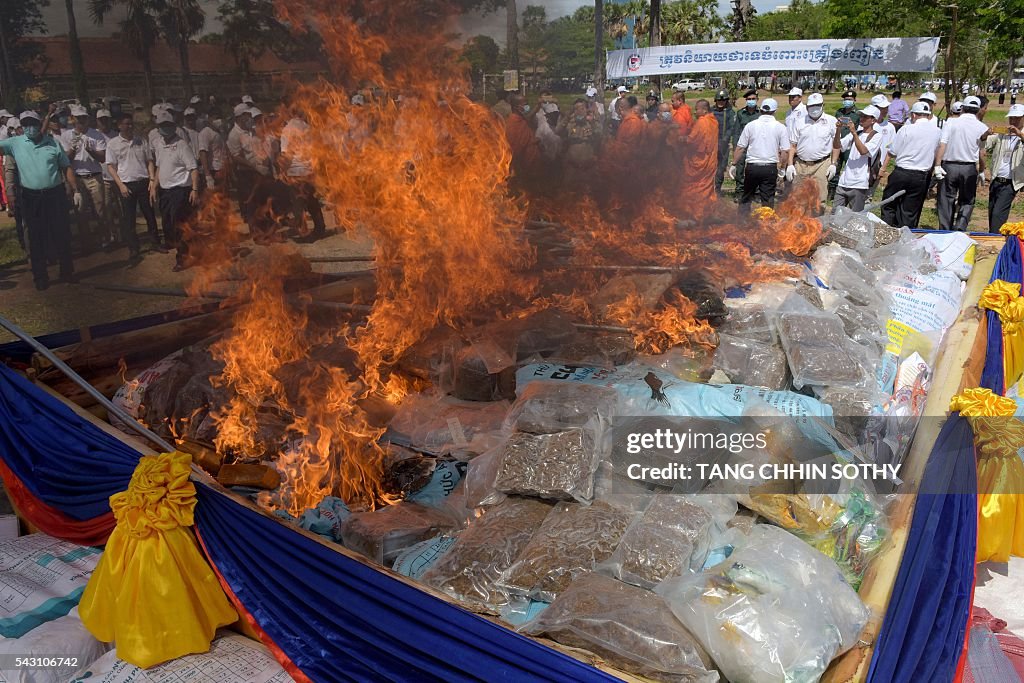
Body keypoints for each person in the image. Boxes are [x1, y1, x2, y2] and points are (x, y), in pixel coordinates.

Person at [0, 109, 77, 290]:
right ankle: (40, 277)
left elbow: (66, 167)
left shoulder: (52, 143)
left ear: (39, 124)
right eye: (25, 124)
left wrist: (75, 189)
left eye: (32, 124)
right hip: (31, 197)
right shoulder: (15, 143)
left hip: (54, 194)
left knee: (61, 234)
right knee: (35, 238)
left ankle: (67, 272)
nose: (29, 128)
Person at [105, 113, 158, 260]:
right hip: (126, 185)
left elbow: (149, 161)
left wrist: (152, 180)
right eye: (126, 124)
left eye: (130, 124)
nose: (129, 126)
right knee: (129, 218)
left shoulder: (141, 141)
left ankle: (155, 242)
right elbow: (110, 167)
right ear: (119, 126)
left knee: (150, 214)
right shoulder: (113, 144)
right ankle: (134, 248)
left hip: (144, 183)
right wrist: (120, 185)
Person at [150, 110, 199, 270]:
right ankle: (185, 249)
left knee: (180, 226)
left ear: (174, 126)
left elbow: (193, 168)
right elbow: (159, 167)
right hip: (165, 192)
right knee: (168, 225)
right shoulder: (158, 144)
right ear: (158, 128)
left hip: (180, 191)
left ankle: (182, 258)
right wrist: (154, 186)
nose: (166, 128)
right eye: (162, 125)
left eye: (168, 125)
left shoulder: (181, 145)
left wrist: (194, 189)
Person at [881, 102, 941, 228]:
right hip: (921, 176)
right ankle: (905, 237)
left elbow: (894, 151)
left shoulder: (906, 129)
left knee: (889, 205)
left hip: (902, 172)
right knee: (910, 210)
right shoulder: (937, 131)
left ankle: (887, 233)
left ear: (913, 115)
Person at [935, 95, 990, 230]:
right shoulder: (982, 127)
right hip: (969, 168)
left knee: (946, 199)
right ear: (978, 110)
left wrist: (937, 165)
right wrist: (982, 170)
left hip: (949, 165)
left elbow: (943, 144)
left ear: (963, 108)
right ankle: (960, 228)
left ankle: (945, 230)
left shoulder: (951, 122)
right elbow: (981, 152)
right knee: (967, 200)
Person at [729, 98, 791, 213]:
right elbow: (785, 151)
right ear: (775, 111)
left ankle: (742, 223)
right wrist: (782, 168)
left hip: (752, 167)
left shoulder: (751, 125)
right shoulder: (780, 127)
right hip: (769, 168)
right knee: (767, 199)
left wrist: (733, 164)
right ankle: (766, 225)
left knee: (746, 197)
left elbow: (741, 147)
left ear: (761, 109)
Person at [279, 110, 327, 241]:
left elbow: (286, 154)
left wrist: (283, 171)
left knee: (298, 204)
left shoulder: (288, 129)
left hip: (296, 171)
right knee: (312, 201)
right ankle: (320, 228)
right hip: (309, 170)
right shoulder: (308, 127)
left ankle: (304, 232)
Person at [831, 104, 884, 212]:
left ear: (873, 120)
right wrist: (838, 130)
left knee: (855, 217)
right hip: (844, 181)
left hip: (860, 183)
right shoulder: (857, 133)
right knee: (835, 214)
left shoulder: (876, 136)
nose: (862, 119)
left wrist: (854, 133)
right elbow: (837, 146)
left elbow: (864, 151)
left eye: (865, 117)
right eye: (861, 116)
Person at [788, 92, 837, 204]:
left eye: (818, 105)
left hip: (821, 164)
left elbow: (836, 145)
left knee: (819, 199)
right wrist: (790, 164)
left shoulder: (831, 121)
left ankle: (817, 221)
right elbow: (793, 145)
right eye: (811, 106)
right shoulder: (799, 122)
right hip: (801, 164)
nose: (815, 109)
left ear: (822, 105)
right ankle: (799, 221)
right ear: (807, 107)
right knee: (798, 197)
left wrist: (833, 164)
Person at [984, 104, 1024, 233]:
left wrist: (1020, 135)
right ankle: (994, 235)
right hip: (996, 178)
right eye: (1011, 118)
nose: (1013, 121)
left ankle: (996, 240)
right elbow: (986, 142)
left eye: (1017, 118)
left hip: (1011, 182)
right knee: (992, 211)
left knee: (998, 213)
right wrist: (987, 133)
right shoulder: (1004, 133)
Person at [681, 99, 719, 216]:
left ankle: (697, 214)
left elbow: (692, 140)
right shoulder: (714, 121)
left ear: (704, 110)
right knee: (708, 187)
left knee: (696, 187)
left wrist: (681, 139)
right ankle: (708, 212)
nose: (695, 112)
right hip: (711, 160)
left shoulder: (702, 122)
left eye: (697, 109)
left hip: (700, 162)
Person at [505, 94, 542, 191]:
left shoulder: (521, 118)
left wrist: (538, 106)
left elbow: (529, 117)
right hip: (524, 166)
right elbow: (516, 147)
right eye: (525, 104)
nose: (527, 107)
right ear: (517, 107)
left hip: (532, 165)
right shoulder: (513, 123)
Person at [733, 89, 760, 197]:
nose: (751, 101)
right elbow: (736, 132)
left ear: (757, 100)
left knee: (756, 168)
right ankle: (739, 191)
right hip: (743, 146)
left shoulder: (761, 113)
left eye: (753, 99)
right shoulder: (740, 113)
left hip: (756, 146)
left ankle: (756, 191)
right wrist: (735, 147)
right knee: (740, 168)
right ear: (746, 100)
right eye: (749, 99)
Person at [869, 94, 896, 191]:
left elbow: (890, 150)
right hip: (864, 165)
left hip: (878, 167)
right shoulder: (865, 124)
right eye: (882, 108)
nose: (885, 110)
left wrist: (883, 168)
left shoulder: (890, 127)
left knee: (869, 195)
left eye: (886, 107)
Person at [711, 90, 736, 195]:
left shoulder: (730, 112)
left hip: (723, 144)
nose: (721, 102)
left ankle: (717, 189)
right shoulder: (711, 111)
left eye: (723, 100)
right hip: (711, 143)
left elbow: (732, 127)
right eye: (719, 100)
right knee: (710, 167)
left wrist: (725, 138)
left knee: (721, 168)